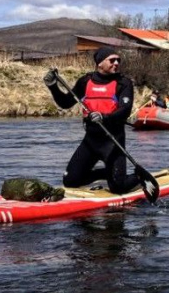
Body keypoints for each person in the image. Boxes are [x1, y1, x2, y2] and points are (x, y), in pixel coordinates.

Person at [43, 46, 138, 194]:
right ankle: (105, 173)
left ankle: (137, 177)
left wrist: (104, 117)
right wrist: (53, 86)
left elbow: (124, 111)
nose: (117, 63)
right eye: (112, 60)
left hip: (113, 141)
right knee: (71, 181)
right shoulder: (85, 81)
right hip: (91, 141)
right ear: (99, 63)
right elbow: (66, 103)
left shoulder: (124, 83)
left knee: (118, 188)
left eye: (118, 60)